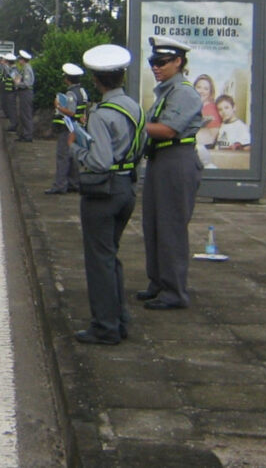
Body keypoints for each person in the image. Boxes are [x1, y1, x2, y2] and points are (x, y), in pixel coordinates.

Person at [69, 44, 144, 344]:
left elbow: (99, 161)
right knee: (111, 257)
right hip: (127, 187)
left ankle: (105, 327)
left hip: (103, 192)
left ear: (97, 80)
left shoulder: (101, 114)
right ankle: (119, 319)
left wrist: (75, 146)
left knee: (99, 261)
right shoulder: (134, 106)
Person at [138, 35, 203, 310]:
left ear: (178, 62)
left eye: (162, 62)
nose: (156, 67)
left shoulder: (184, 92)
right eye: (153, 62)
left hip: (176, 159)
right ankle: (158, 282)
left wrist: (132, 120)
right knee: (153, 225)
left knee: (171, 227)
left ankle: (174, 291)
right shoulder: (166, 90)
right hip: (160, 159)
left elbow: (168, 129)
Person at [46, 62, 89, 194]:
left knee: (63, 156)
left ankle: (59, 185)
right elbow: (84, 109)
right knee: (73, 155)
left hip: (67, 127)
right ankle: (74, 183)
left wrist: (58, 106)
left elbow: (71, 112)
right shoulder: (82, 91)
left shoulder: (71, 94)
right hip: (78, 128)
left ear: (67, 78)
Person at [14, 49, 35, 141]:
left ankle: (28, 135)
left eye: (20, 59)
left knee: (26, 114)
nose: (19, 61)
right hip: (23, 93)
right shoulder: (24, 68)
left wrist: (18, 83)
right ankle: (23, 134)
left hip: (26, 93)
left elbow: (27, 83)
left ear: (23, 60)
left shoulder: (27, 69)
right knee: (22, 115)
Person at [0, 53, 18, 131]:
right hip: (9, 91)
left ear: (8, 61)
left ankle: (14, 125)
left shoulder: (13, 70)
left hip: (12, 92)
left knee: (12, 109)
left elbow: (16, 81)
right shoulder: (11, 69)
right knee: (10, 109)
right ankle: (13, 124)